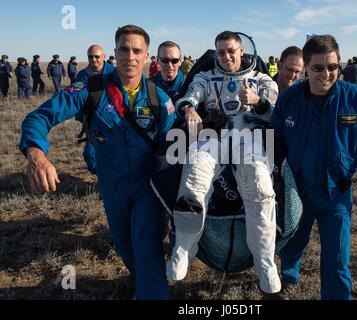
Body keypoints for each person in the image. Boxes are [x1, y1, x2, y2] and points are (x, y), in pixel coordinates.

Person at [19, 24, 176, 300]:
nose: (130, 56)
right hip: (112, 188)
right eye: (124, 49)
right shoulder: (90, 90)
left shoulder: (159, 100)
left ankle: (150, 290)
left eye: (137, 50)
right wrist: (36, 153)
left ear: (147, 56)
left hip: (146, 190)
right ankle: (142, 281)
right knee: (126, 246)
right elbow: (39, 117)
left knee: (148, 249)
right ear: (115, 52)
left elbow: (172, 154)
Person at [272, 34, 357, 300]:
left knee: (336, 260)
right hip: (297, 192)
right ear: (306, 68)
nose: (326, 74)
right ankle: (289, 275)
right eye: (318, 68)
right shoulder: (288, 101)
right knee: (292, 244)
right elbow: (274, 146)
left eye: (333, 67)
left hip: (336, 194)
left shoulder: (356, 100)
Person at [167, 31, 282, 295]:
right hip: (214, 136)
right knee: (194, 175)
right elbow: (189, 95)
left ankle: (264, 262)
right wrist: (189, 109)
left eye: (231, 51)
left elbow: (277, 112)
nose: (226, 56)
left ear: (241, 51)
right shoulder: (206, 77)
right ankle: (184, 248)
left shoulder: (260, 79)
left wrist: (258, 101)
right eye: (220, 52)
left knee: (259, 183)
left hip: (248, 138)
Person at [76, 45, 116, 175]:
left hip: (112, 120)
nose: (93, 60)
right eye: (90, 57)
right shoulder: (82, 75)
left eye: (97, 56)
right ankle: (101, 175)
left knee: (113, 153)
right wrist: (81, 117)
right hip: (92, 120)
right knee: (90, 155)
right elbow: (75, 98)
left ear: (103, 57)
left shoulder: (114, 72)